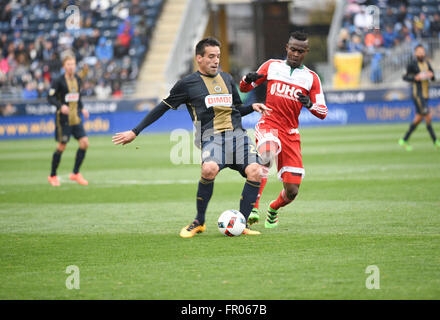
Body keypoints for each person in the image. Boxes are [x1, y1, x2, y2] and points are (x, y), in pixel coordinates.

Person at [112, 37, 271, 238]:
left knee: (256, 171)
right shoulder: (187, 84)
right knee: (209, 169)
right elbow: (163, 107)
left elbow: (236, 109)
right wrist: (135, 131)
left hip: (238, 137)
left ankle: (242, 222)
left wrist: (252, 107)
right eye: (211, 56)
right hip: (211, 138)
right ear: (199, 58)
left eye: (218, 56)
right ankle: (199, 222)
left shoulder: (228, 79)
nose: (216, 61)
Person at [239, 31, 328, 228]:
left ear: (306, 52)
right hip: (268, 124)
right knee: (267, 153)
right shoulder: (271, 66)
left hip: (290, 133)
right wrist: (247, 80)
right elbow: (245, 88)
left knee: (292, 191)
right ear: (287, 48)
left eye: (300, 51)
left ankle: (273, 208)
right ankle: (253, 207)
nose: (296, 54)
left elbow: (322, 112)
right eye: (293, 49)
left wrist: (310, 104)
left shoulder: (311, 78)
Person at [47, 54, 90, 186]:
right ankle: (53, 175)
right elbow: (50, 98)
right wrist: (61, 106)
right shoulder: (58, 80)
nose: (71, 67)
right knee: (62, 146)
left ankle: (75, 173)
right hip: (63, 119)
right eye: (68, 64)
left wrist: (82, 108)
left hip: (75, 117)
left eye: (73, 64)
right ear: (64, 66)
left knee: (84, 143)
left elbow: (77, 96)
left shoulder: (77, 78)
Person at [399, 44, 440, 151]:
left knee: (418, 119)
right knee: (428, 116)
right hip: (418, 95)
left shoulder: (426, 63)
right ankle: (436, 142)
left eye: (422, 51)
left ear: (424, 52)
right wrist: (415, 77)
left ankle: (404, 140)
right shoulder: (412, 64)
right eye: (418, 51)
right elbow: (404, 77)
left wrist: (431, 75)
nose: (421, 53)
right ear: (415, 53)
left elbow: (433, 77)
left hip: (425, 95)